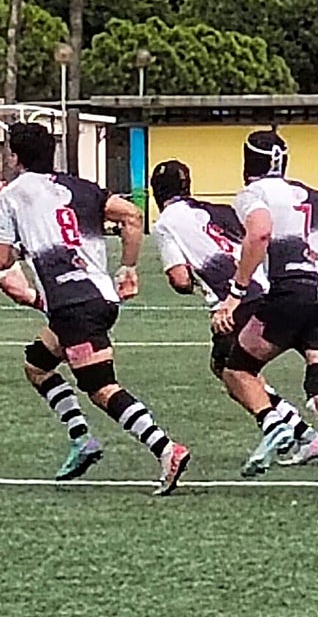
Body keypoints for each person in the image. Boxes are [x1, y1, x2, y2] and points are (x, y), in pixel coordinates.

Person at [0, 122, 190, 493]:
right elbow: (133, 217)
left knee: (101, 387)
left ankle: (167, 449)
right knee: (37, 365)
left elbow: (3, 258)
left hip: (74, 305)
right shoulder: (80, 187)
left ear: (15, 156)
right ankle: (81, 438)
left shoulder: (10, 196)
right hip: (99, 296)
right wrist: (128, 268)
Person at [212, 130, 318, 507]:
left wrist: (234, 295)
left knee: (235, 367)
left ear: (246, 162)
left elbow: (260, 233)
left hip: (290, 293)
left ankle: (274, 426)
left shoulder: (253, 195)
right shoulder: (314, 195)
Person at [149, 159, 318, 470]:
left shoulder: (164, 224)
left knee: (233, 371)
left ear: (155, 193)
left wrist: (196, 283)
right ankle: (304, 434)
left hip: (234, 301)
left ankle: (275, 425)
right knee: (237, 370)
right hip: (263, 288)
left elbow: (179, 278)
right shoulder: (217, 210)